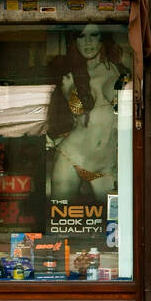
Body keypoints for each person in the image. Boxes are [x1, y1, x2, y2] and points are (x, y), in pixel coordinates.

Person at [46, 24, 130, 202]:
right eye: (82, 36)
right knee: (62, 221)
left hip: (107, 165)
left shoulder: (121, 70)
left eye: (94, 35)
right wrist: (69, 93)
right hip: (71, 156)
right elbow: (56, 117)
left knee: (115, 224)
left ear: (102, 39)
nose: (88, 42)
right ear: (75, 41)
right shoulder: (69, 75)